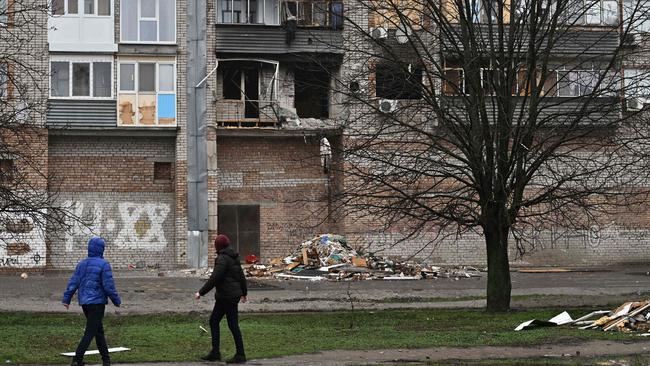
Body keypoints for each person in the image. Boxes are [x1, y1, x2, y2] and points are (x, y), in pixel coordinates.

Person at [62, 236, 121, 366]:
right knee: (90, 332)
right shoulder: (104, 264)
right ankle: (77, 360)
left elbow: (73, 282)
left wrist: (67, 298)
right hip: (97, 303)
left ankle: (106, 360)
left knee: (98, 331)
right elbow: (108, 286)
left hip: (85, 303)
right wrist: (116, 300)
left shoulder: (81, 264)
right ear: (101, 250)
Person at [195, 234, 248, 364]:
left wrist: (201, 292)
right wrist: (244, 293)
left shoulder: (222, 259)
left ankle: (237, 355)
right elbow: (241, 276)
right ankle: (217, 352)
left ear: (218, 246)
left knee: (227, 323)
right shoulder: (233, 257)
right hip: (231, 295)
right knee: (217, 321)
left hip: (226, 296)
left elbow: (215, 278)